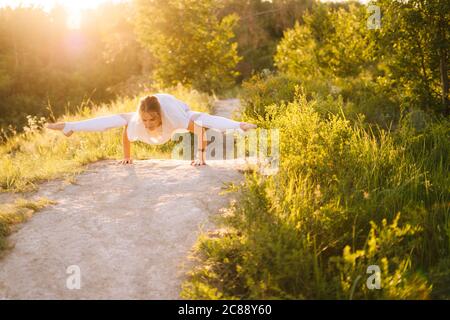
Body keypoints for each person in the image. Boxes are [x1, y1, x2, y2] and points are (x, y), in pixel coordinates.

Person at [46, 93, 257, 166]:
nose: (147, 125)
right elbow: (126, 134)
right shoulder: (139, 120)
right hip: (154, 103)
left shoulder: (175, 118)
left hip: (179, 108)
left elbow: (200, 131)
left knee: (203, 118)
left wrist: (201, 156)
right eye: (145, 120)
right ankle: (69, 126)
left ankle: (239, 126)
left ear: (160, 116)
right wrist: (127, 157)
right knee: (116, 119)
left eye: (151, 120)